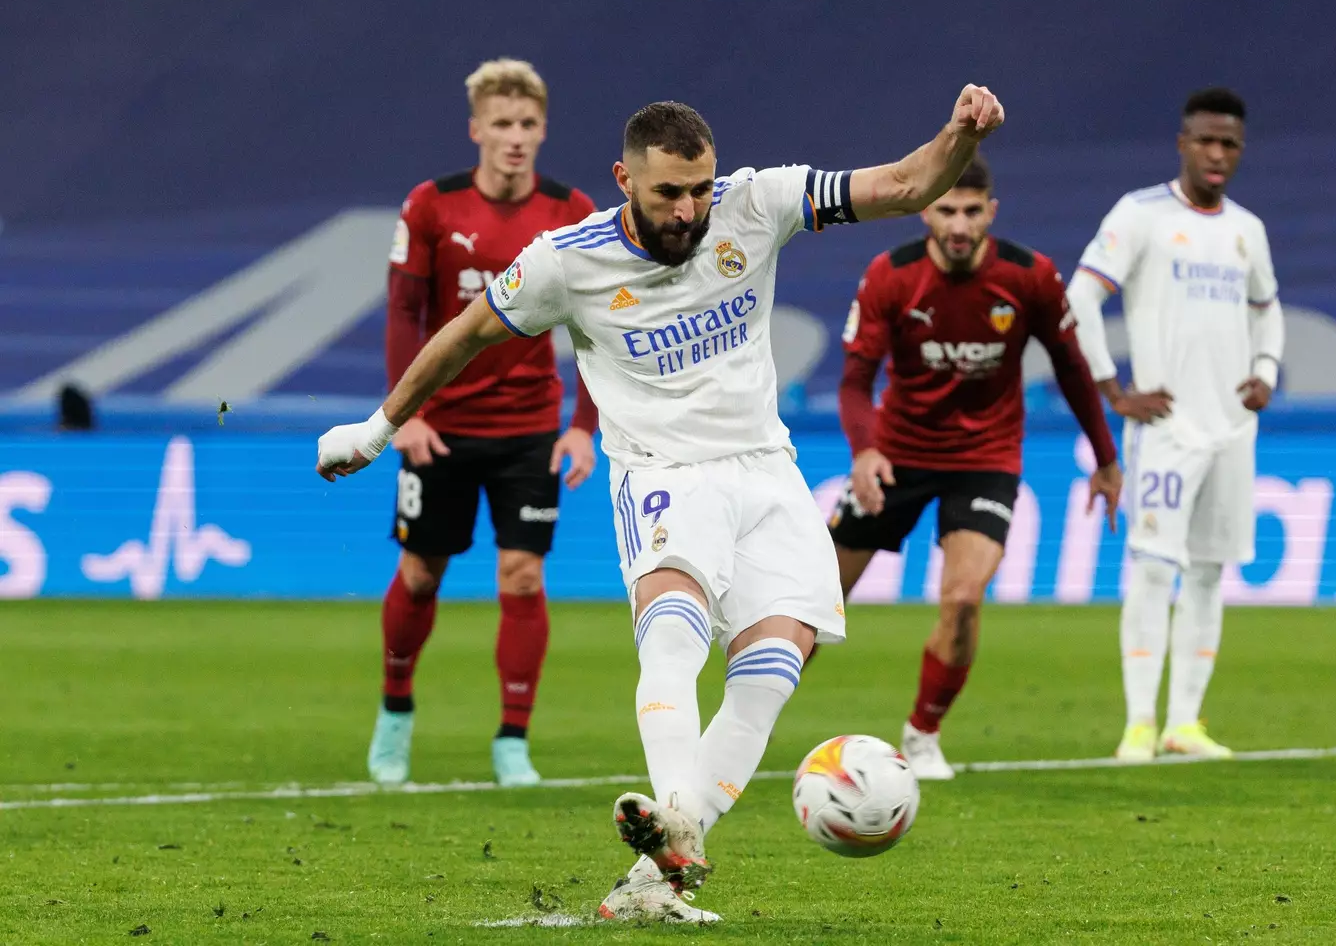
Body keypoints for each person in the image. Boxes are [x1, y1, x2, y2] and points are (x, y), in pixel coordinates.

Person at [317, 84, 1005, 923]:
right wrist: (379, 427)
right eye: (667, 193)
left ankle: (661, 871)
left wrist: (960, 134)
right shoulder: (566, 260)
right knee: (674, 629)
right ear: (624, 181)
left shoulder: (758, 203)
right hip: (661, 472)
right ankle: (674, 822)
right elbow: (466, 332)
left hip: (767, 471)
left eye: (699, 189)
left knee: (773, 668)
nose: (688, 210)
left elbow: (904, 185)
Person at [829, 152, 1121, 780]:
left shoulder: (1031, 277)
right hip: (898, 454)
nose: (957, 226)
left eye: (970, 211)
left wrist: (1106, 457)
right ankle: (743, 723)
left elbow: (1072, 369)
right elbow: (854, 383)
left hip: (985, 459)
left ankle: (922, 734)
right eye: (944, 210)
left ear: (991, 210)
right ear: (925, 207)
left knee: (962, 598)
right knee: (814, 600)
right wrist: (865, 451)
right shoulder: (890, 275)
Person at [371, 58, 599, 789]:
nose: (515, 138)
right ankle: (395, 713)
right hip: (439, 428)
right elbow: (405, 313)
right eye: (502, 124)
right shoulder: (431, 208)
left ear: (543, 131)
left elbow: (601, 324)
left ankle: (511, 740)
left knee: (524, 577)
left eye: (528, 125)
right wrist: (402, 415)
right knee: (421, 571)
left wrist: (582, 425)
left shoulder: (571, 213)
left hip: (529, 429)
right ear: (476, 130)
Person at [1064, 87, 1285, 763]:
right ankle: (1137, 724)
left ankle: (1184, 724)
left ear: (1239, 152)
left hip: (1231, 431)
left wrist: (1267, 369)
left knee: (1211, 573)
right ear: (1183, 144)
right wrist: (1112, 389)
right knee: (1155, 570)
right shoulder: (1142, 214)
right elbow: (1080, 296)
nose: (1218, 154)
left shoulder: (1247, 228)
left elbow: (1268, 307)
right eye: (1207, 141)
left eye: (1230, 145)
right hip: (1165, 429)